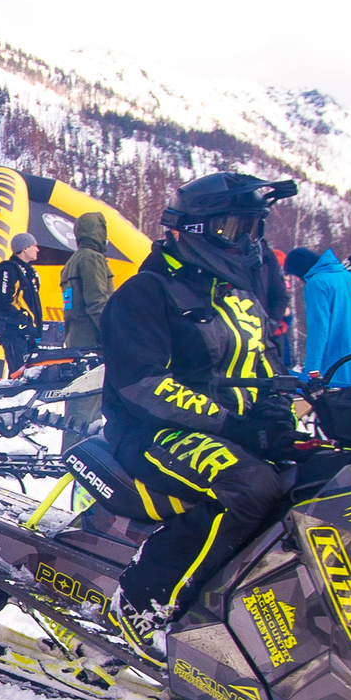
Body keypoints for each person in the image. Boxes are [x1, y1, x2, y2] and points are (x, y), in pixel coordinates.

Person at [97, 172, 298, 656]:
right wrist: (236, 426)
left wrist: (277, 414)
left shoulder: (238, 294)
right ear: (197, 229)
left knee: (323, 476)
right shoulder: (147, 292)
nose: (248, 243)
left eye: (254, 230)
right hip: (150, 432)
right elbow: (143, 384)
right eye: (236, 230)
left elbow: (267, 363)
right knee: (249, 488)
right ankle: (146, 603)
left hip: (237, 430)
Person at [284, 245, 351, 383]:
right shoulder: (349, 277)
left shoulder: (317, 283)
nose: (298, 280)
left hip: (335, 361)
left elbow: (318, 329)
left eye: (296, 276)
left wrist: (312, 371)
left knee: (334, 403)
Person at [0, 234, 44, 371]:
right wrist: (23, 322)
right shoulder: (8, 270)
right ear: (24, 249)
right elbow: (2, 302)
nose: (37, 250)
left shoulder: (28, 271)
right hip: (14, 333)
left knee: (31, 373)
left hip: (28, 333)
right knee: (18, 373)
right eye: (34, 246)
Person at [63, 210, 117, 349]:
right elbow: (96, 302)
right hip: (93, 339)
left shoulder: (71, 261)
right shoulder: (92, 258)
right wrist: (115, 334)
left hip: (75, 338)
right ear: (98, 232)